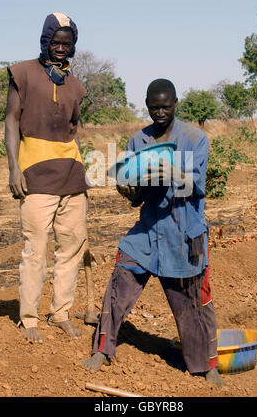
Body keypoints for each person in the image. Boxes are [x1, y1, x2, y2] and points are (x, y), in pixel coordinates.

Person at [82, 78, 223, 387]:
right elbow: (138, 197)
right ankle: (104, 350)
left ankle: (206, 366)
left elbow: (195, 186)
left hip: (186, 234)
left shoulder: (195, 139)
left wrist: (169, 172)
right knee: (120, 281)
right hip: (148, 231)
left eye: (166, 106)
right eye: (154, 107)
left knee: (195, 302)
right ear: (147, 105)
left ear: (175, 104)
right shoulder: (138, 141)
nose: (160, 112)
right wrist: (128, 187)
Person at [5, 12, 97, 344]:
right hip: (35, 175)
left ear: (73, 46)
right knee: (36, 249)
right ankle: (29, 318)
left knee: (71, 248)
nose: (60, 48)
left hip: (72, 177)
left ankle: (61, 313)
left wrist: (85, 176)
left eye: (67, 43)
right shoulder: (23, 74)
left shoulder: (75, 85)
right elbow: (11, 121)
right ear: (45, 41)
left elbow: (72, 132)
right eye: (55, 42)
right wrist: (14, 168)